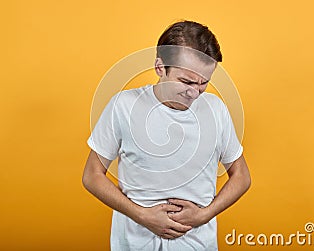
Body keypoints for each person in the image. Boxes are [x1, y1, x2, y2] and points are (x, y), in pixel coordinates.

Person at [82, 20, 251, 250]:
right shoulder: (123, 106)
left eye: (204, 83)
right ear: (160, 67)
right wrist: (141, 215)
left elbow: (241, 175)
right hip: (134, 244)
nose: (195, 91)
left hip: (198, 244)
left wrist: (204, 215)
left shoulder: (216, 110)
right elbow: (92, 175)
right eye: (186, 81)